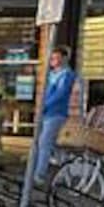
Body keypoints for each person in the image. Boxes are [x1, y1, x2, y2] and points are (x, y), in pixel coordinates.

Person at [34, 45, 76, 184]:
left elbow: (61, 93)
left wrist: (45, 105)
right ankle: (64, 173)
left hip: (56, 113)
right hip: (46, 112)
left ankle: (39, 174)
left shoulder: (67, 74)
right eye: (51, 58)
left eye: (56, 58)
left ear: (64, 58)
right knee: (53, 145)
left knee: (45, 143)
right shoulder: (52, 74)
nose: (52, 60)